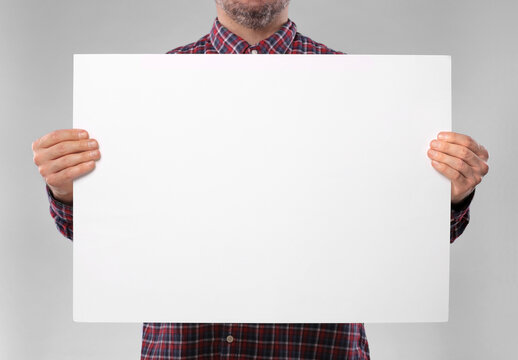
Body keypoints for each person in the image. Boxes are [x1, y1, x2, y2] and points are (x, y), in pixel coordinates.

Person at [31, 0, 490, 359]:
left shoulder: (362, 90)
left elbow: (405, 247)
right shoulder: (145, 89)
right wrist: (69, 192)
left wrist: (446, 198)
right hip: (185, 350)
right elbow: (107, 241)